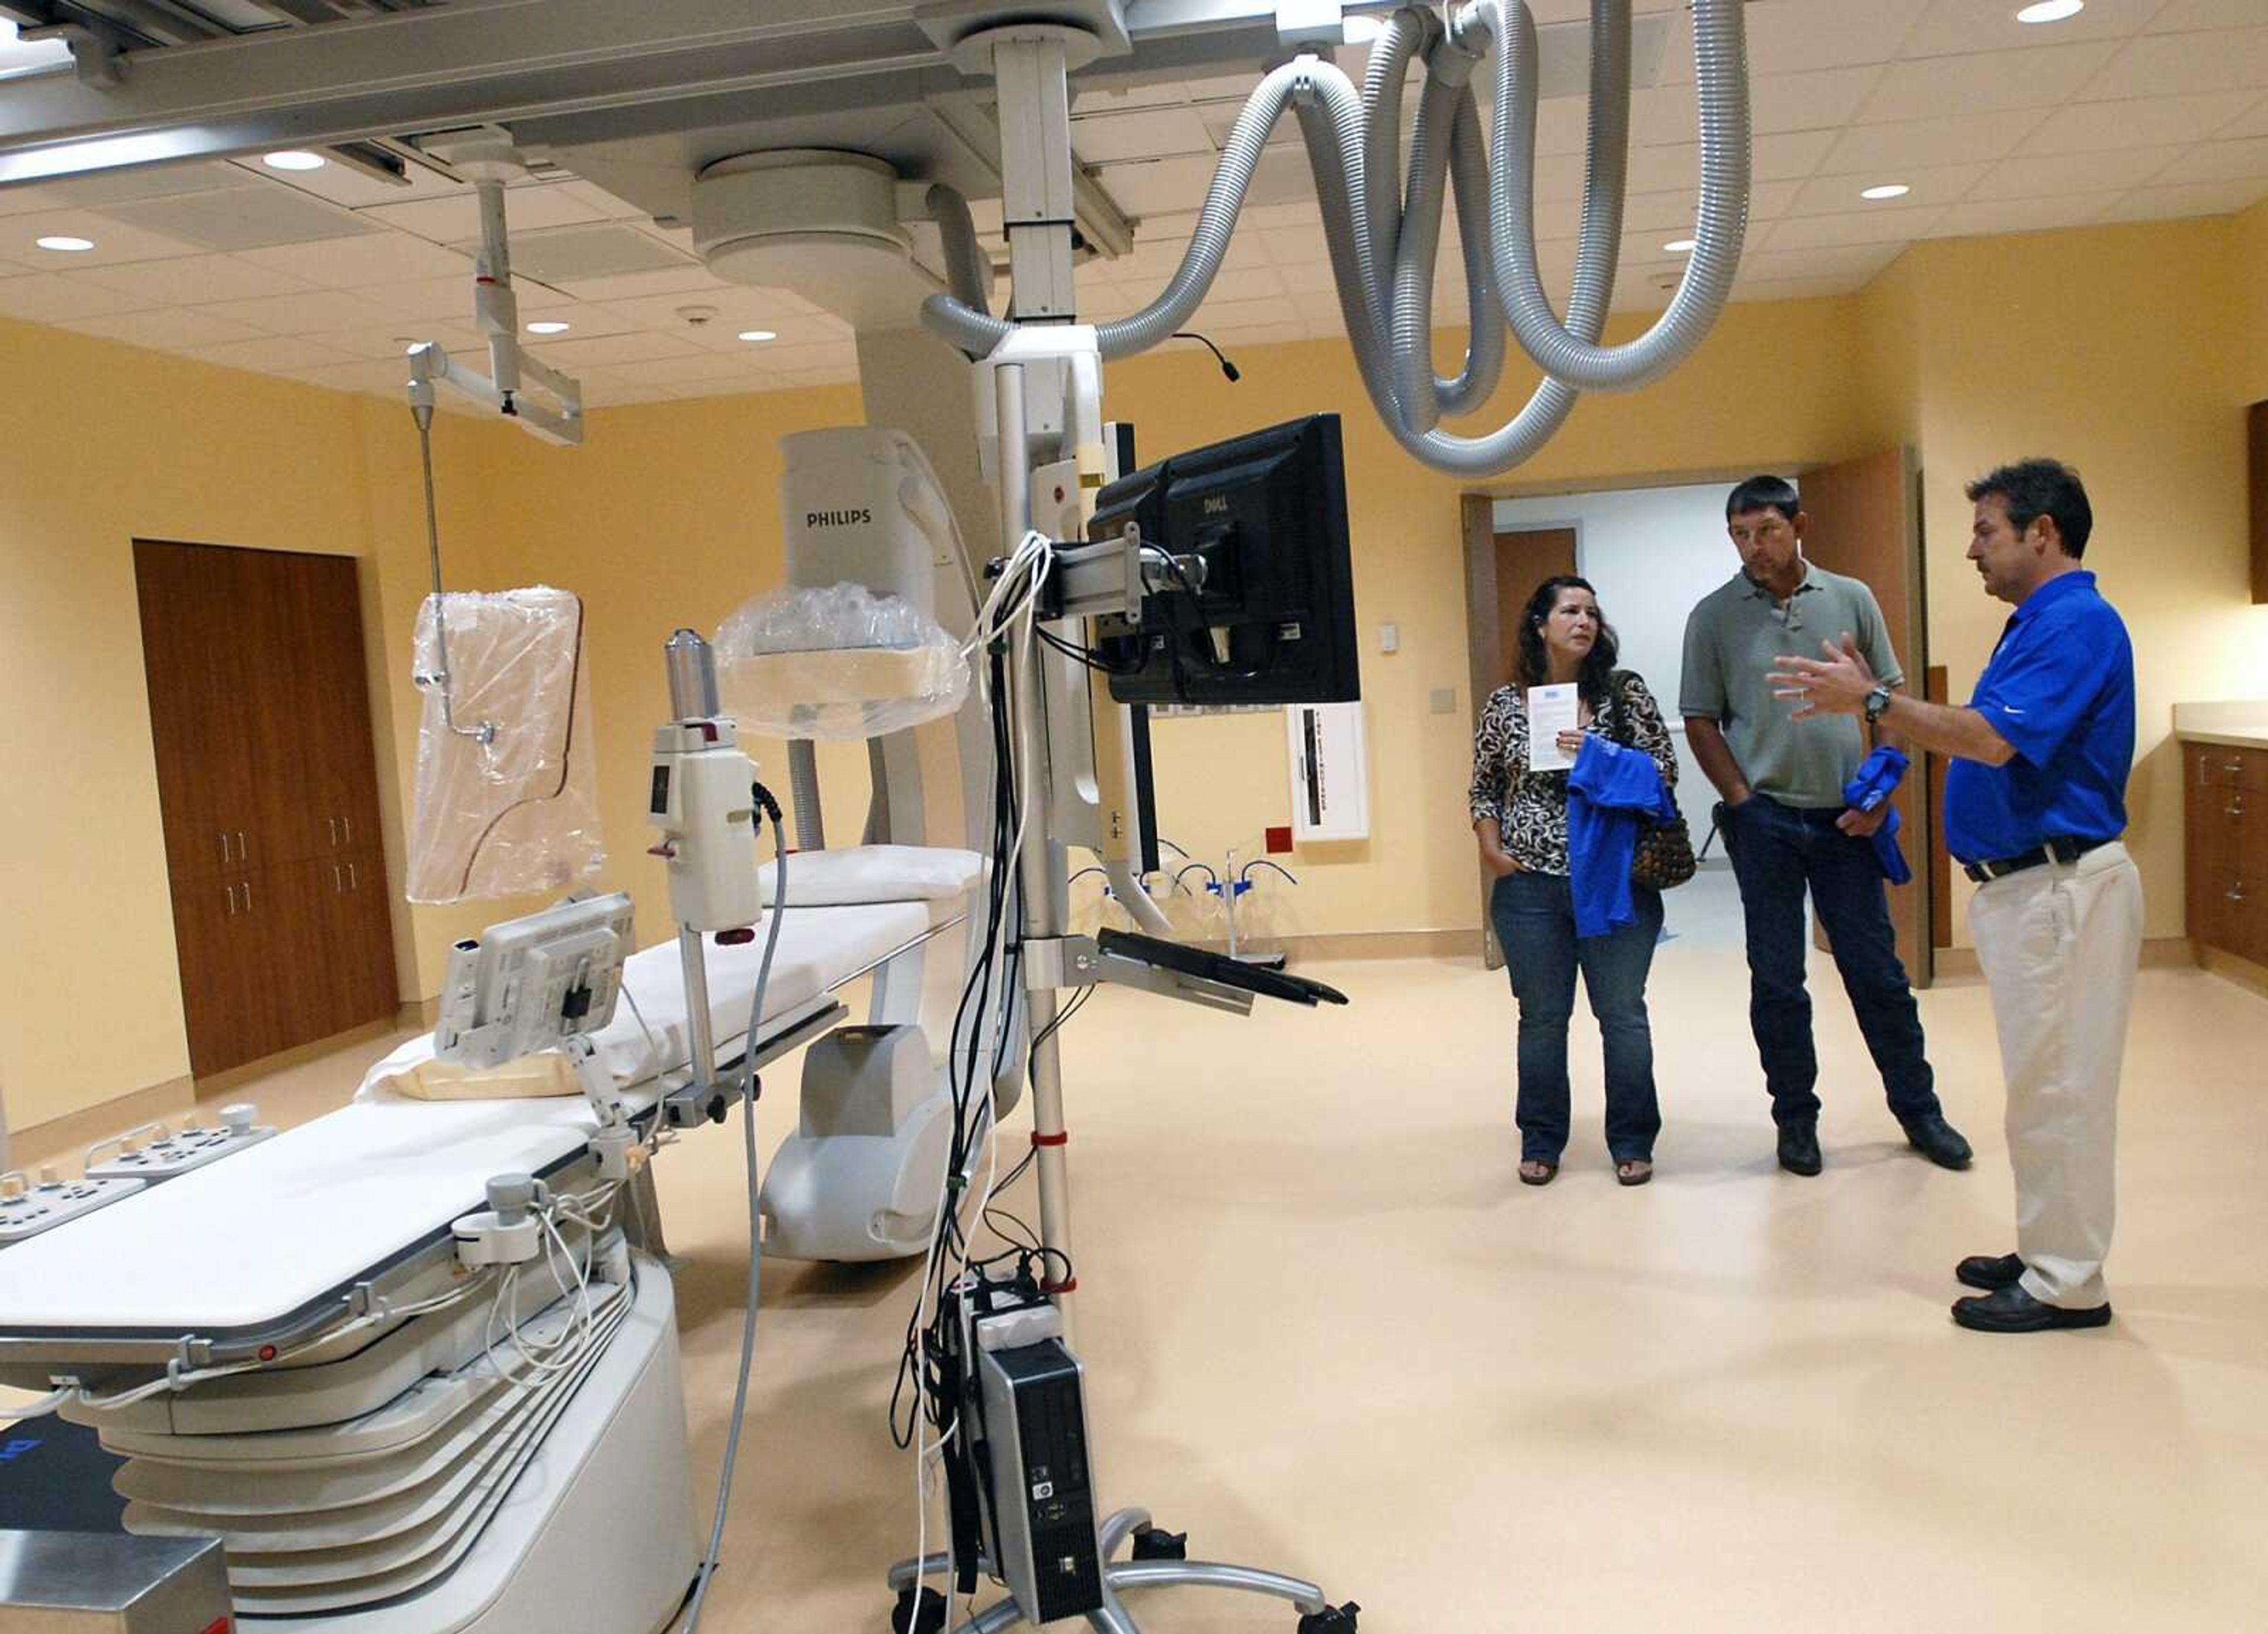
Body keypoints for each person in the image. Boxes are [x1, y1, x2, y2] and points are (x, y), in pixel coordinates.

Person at [1772, 459, 2139, 1335]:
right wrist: (1880, 703)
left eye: (1986, 530)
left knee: (2063, 1090)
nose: (1973, 549)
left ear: (2040, 532)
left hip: (2060, 888)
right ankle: (2048, 1245)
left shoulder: (2077, 622)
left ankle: (2069, 1280)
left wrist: (1876, 699)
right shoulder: (2038, 622)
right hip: (2032, 890)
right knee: (2040, 1086)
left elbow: (1989, 739)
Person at [1680, 475, 1972, 1176]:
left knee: (1878, 975)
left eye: (1767, 531)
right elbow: (1699, 718)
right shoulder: (1714, 617)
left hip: (1849, 819)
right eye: (1741, 535)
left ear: (1799, 524)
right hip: (1767, 821)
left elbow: (1891, 701)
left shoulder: (1852, 598)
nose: (1754, 547)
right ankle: (1796, 1120)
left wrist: (1880, 789)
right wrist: (1742, 800)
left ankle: (1919, 1111)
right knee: (1777, 981)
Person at [1471, 576, 1678, 1186]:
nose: (1584, 621)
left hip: (1615, 883)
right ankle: (1540, 1138)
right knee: (1541, 1019)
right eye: (1569, 611)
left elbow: (1663, 772)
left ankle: (1633, 1138)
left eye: (1592, 612)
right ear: (1541, 624)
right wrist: (1490, 846)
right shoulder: (1506, 706)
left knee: (1622, 1015)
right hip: (1530, 887)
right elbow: (1484, 783)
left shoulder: (1623, 693)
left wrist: (1596, 754)